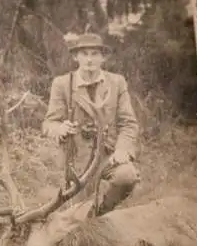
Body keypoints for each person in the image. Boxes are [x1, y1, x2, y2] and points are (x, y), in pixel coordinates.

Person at [42, 32, 140, 216]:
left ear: (103, 57)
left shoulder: (116, 83)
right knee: (77, 217)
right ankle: (88, 216)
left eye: (94, 54)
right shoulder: (62, 84)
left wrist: (122, 150)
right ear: (75, 57)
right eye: (84, 54)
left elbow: (129, 123)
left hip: (107, 157)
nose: (89, 60)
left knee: (127, 176)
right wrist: (60, 128)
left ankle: (102, 211)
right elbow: (48, 123)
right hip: (76, 160)